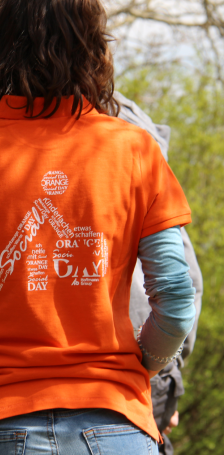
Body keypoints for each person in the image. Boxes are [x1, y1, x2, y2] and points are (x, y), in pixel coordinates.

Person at [0, 0, 197, 454]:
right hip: (117, 421)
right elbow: (176, 298)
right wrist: (142, 366)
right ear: (94, 47)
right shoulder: (136, 150)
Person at [116, 92, 203, 455]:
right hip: (145, 358)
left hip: (139, 360)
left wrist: (160, 370)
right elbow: (186, 291)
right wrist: (165, 367)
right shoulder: (139, 150)